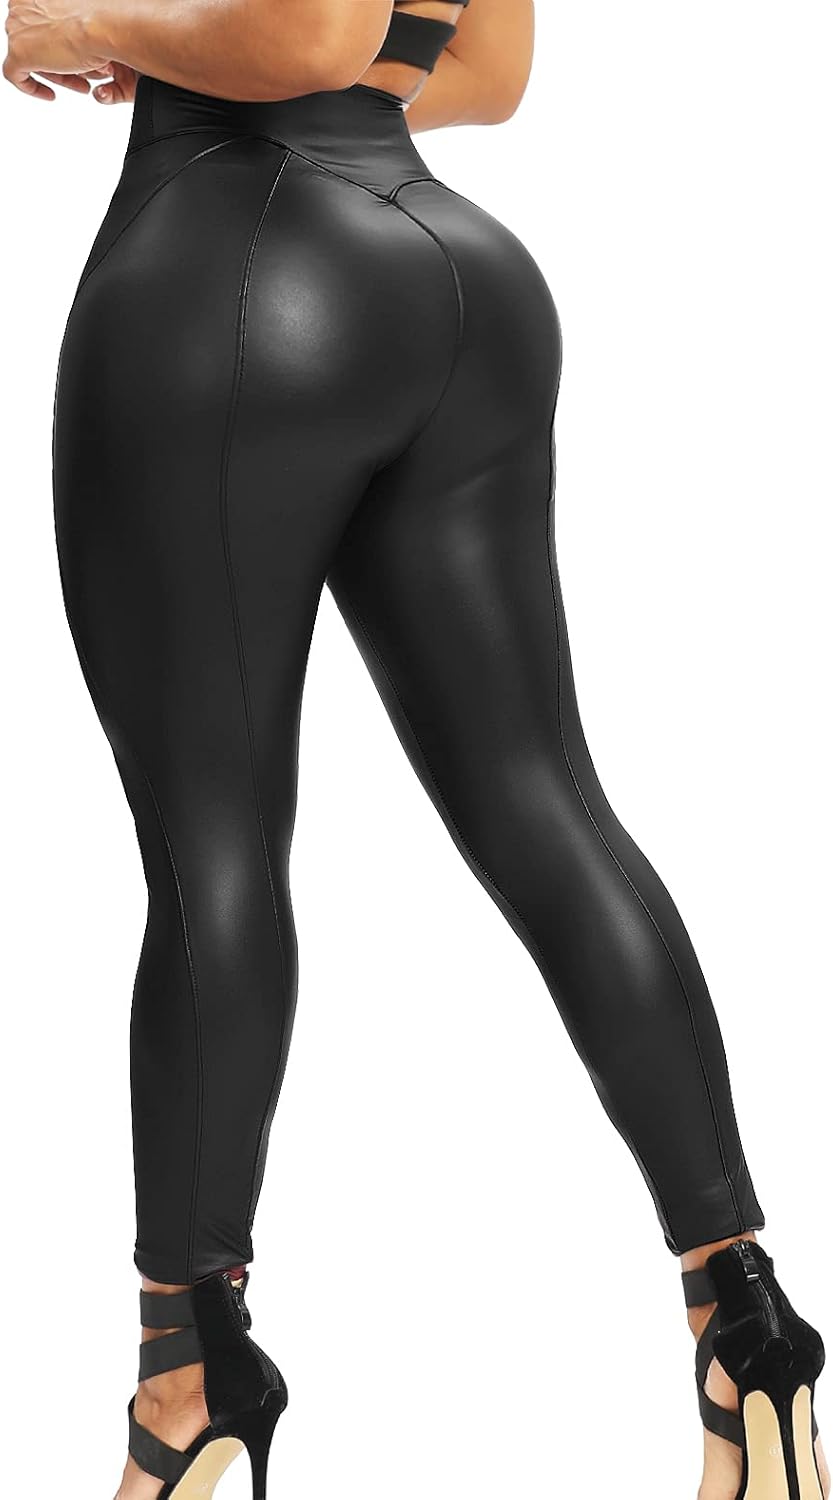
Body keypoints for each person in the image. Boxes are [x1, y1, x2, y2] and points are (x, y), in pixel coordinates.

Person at [3, 3, 828, 1498]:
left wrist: (87, 21)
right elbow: (486, 72)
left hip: (233, 279)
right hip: (454, 273)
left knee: (212, 852)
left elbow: (311, 30)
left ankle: (189, 1377)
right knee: (546, 804)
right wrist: (210, 45)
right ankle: (743, 1321)